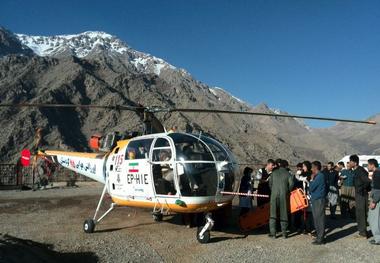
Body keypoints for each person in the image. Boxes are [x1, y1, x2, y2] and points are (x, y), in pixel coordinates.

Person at [268, 160, 294, 239]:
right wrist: (287, 191)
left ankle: (273, 234)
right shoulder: (288, 174)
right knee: (284, 214)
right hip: (283, 196)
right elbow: (291, 185)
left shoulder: (273, 173)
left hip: (274, 196)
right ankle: (284, 233)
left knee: (273, 214)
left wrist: (274, 191)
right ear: (285, 166)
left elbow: (270, 184)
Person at [350, 154, 371, 238]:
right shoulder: (356, 170)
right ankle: (362, 231)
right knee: (359, 213)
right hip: (359, 194)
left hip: (361, 195)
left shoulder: (360, 170)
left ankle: (363, 233)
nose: (349, 163)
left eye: (350, 161)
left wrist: (361, 189)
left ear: (355, 163)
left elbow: (367, 181)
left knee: (361, 213)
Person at [309, 161, 326, 245]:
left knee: (319, 219)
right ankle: (319, 236)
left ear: (316, 168)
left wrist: (311, 180)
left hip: (318, 200)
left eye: (312, 167)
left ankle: (320, 238)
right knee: (316, 218)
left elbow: (311, 188)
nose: (311, 169)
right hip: (316, 199)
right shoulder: (318, 176)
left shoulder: (319, 176)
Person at [367, 159, 380, 245]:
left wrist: (374, 201)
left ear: (372, 165)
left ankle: (378, 239)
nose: (367, 167)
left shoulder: (377, 174)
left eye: (368, 165)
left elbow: (378, 189)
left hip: (377, 199)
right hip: (377, 198)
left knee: (373, 219)